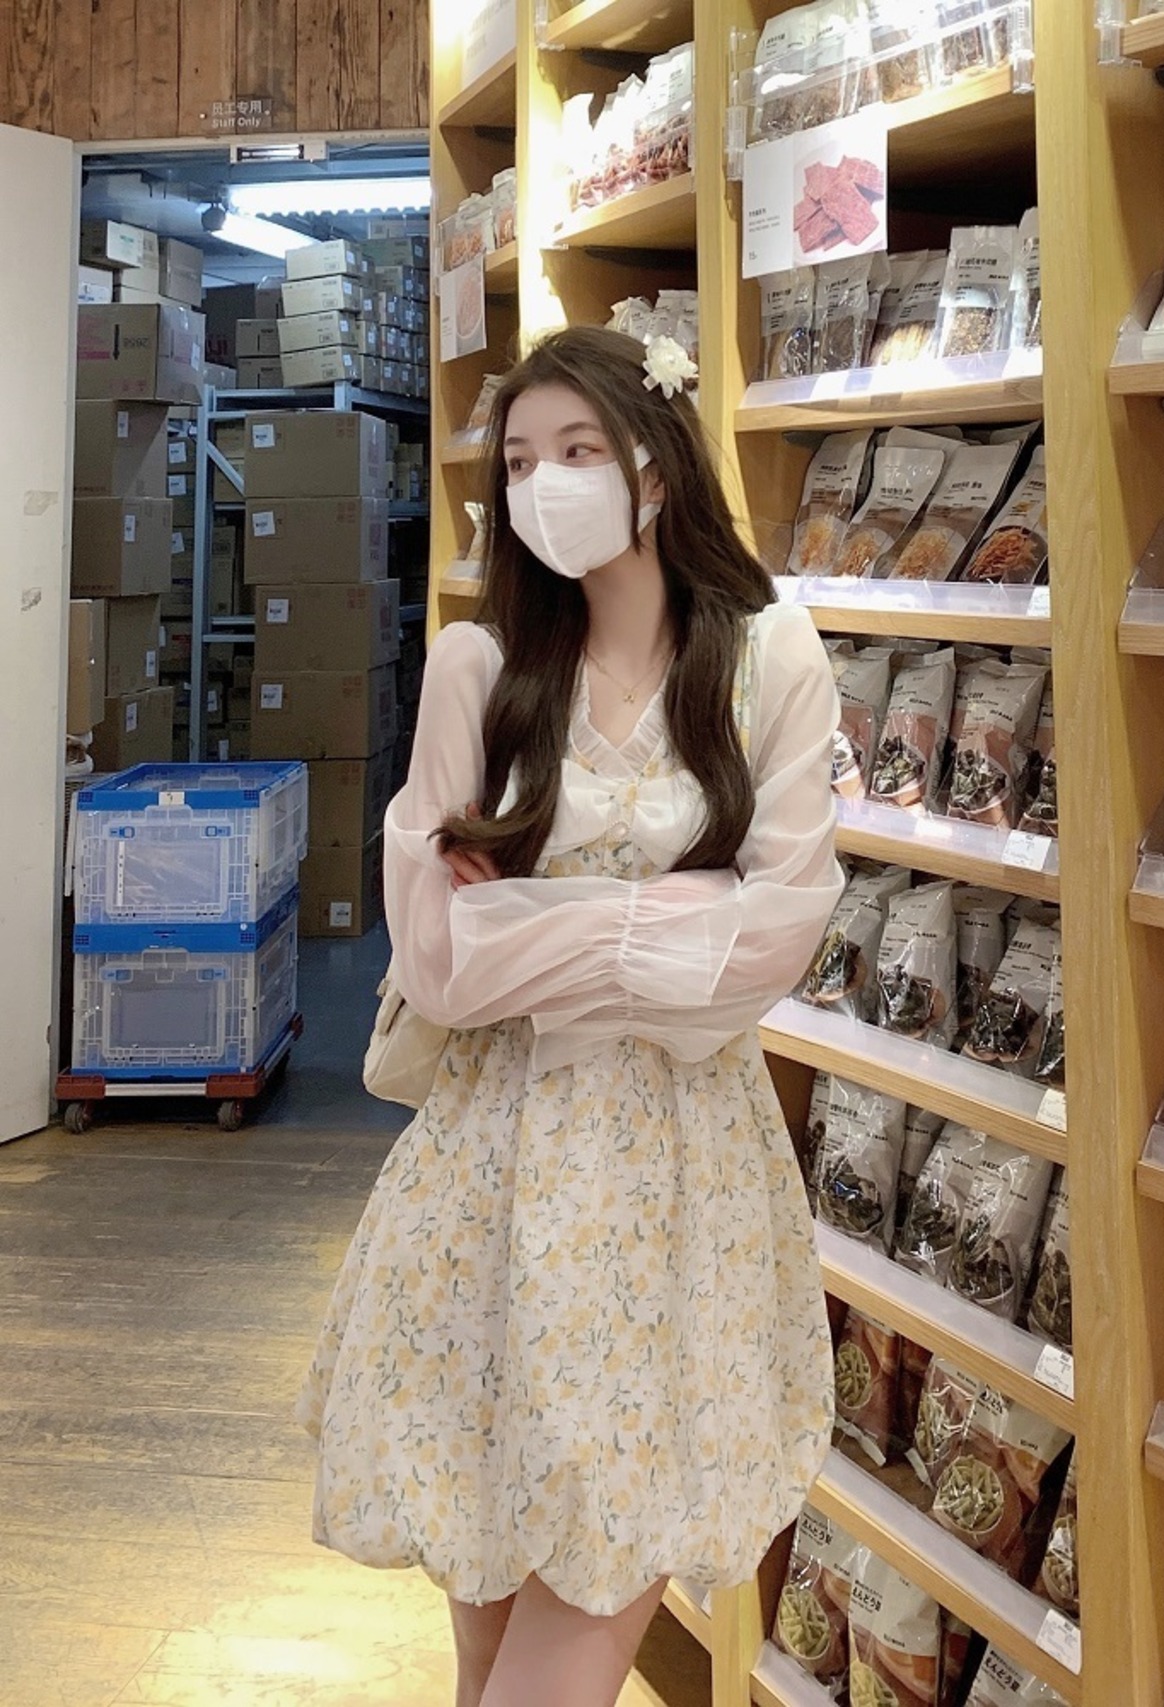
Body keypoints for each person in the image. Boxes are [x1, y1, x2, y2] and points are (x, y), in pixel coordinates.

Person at [296, 325, 844, 1707]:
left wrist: (535, 921)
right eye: (521, 461)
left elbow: (772, 942)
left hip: (682, 1191)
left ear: (655, 466)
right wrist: (669, 918)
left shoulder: (771, 659)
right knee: (488, 1634)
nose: (545, 485)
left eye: (579, 450)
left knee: (594, 1585)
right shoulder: (479, 669)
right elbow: (438, 962)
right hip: (488, 1178)